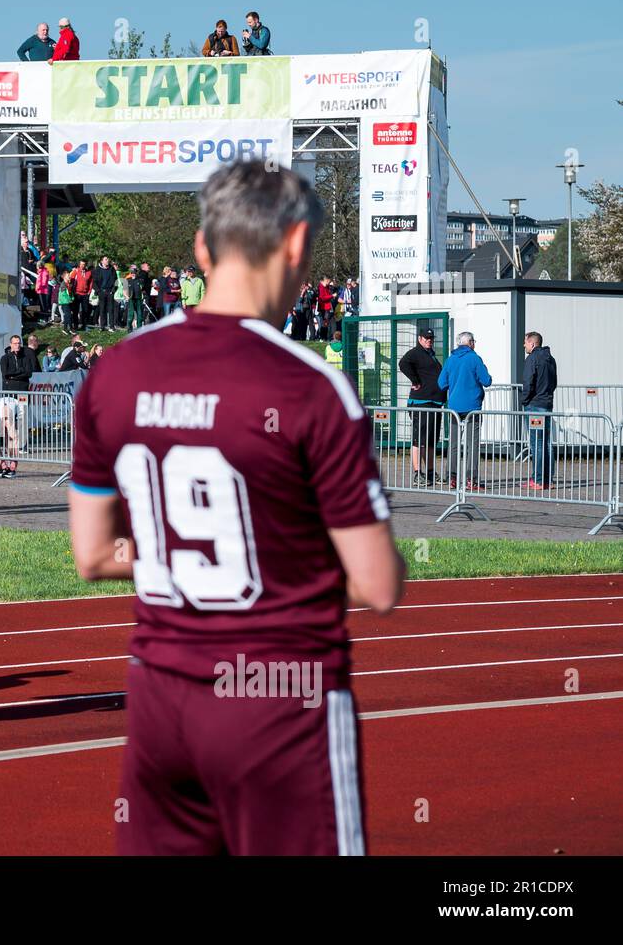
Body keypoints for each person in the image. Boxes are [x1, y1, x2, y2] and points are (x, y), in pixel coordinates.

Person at [68, 160, 403, 856]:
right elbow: (378, 584)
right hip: (279, 701)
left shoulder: (115, 370)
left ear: (201, 248)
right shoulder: (311, 385)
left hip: (159, 703)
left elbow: (93, 554)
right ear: (294, 245)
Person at [438, 331, 492, 491]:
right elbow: (487, 380)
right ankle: (471, 479)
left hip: (454, 406)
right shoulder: (475, 359)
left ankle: (451, 478)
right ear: (470, 343)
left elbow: (441, 383)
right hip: (472, 407)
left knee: (453, 444)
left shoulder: (450, 359)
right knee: (472, 445)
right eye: (474, 341)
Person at [399, 328, 445, 486]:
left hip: (434, 402)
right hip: (421, 402)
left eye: (431, 338)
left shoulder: (430, 354)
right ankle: (417, 473)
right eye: (426, 338)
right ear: (419, 339)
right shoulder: (415, 353)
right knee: (419, 439)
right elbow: (403, 363)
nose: (429, 340)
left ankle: (431, 472)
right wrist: (415, 381)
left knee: (431, 440)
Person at [521, 331, 558, 490]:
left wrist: (524, 400)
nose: (524, 345)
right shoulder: (551, 359)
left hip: (535, 404)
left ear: (532, 343)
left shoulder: (532, 358)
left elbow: (528, 382)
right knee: (547, 443)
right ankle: (548, 479)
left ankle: (538, 480)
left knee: (537, 443)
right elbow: (554, 382)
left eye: (525, 342)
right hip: (547, 403)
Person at [0, 393, 25, 479]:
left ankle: (12, 467)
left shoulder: (7, 414)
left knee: (11, 436)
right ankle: (2, 465)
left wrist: (14, 462)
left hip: (14, 408)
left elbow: (15, 438)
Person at [93, 256, 118, 331]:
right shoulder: (97, 269)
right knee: (102, 309)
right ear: (102, 261)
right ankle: (102, 326)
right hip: (101, 292)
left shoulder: (112, 269)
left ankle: (111, 326)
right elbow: (94, 282)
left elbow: (116, 281)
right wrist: (98, 291)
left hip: (110, 292)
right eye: (106, 259)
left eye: (108, 259)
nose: (107, 260)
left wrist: (113, 291)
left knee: (111, 309)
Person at [72, 259, 94, 328]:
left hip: (85, 294)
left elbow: (91, 282)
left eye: (84, 264)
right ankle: (75, 325)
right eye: (81, 264)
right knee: (76, 310)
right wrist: (72, 291)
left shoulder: (89, 272)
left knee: (85, 310)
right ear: (79, 264)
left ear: (86, 265)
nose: (82, 266)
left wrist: (89, 291)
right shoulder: (75, 271)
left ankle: (84, 325)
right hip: (77, 294)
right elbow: (71, 281)